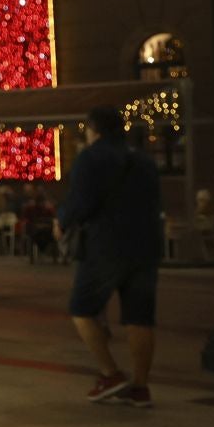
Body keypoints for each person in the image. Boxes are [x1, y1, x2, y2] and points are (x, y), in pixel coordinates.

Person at [56, 105, 163, 409]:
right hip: (145, 246)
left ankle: (110, 374)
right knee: (140, 317)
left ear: (94, 129)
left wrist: (61, 220)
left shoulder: (90, 157)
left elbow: (81, 201)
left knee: (81, 307)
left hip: (106, 246)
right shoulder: (143, 159)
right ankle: (141, 387)